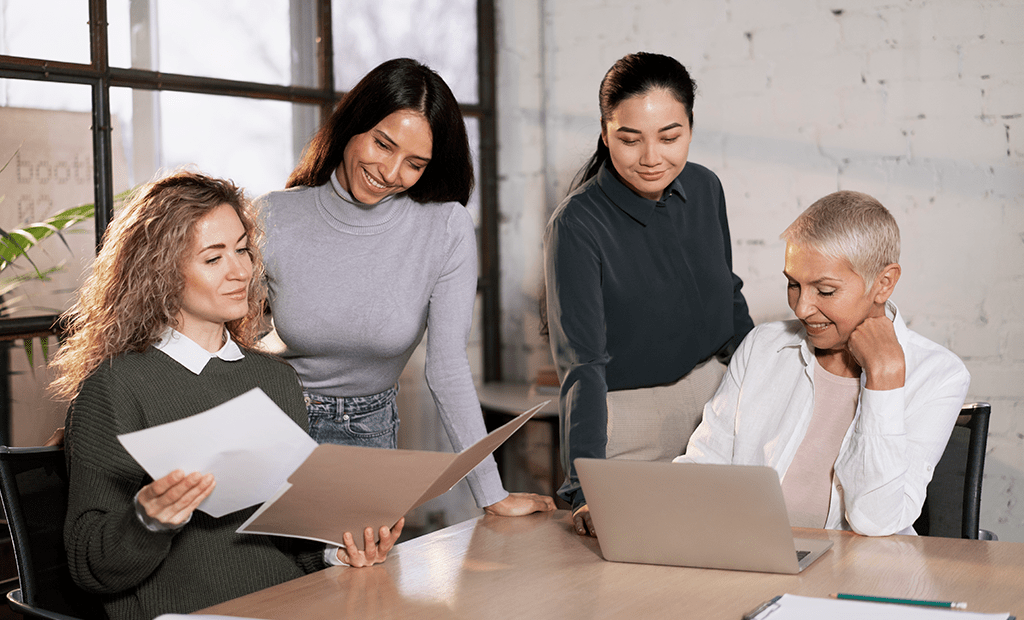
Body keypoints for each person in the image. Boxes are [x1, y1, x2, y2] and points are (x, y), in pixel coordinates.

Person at [50, 171, 402, 620]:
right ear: (160, 271)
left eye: (242, 249)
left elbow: (291, 534)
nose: (241, 271)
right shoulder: (115, 386)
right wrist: (148, 521)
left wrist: (340, 551)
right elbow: (92, 569)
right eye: (213, 258)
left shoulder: (275, 379)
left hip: (298, 606)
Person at [259, 58, 554, 517]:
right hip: (273, 425)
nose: (392, 172)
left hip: (368, 436)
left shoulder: (445, 226)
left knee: (356, 583)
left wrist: (491, 495)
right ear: (353, 124)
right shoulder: (272, 215)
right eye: (383, 143)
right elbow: (225, 344)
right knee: (264, 586)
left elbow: (448, 368)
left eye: (415, 163)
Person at [674, 190, 970, 537]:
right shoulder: (764, 346)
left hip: (860, 570)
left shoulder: (938, 375)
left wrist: (883, 381)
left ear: (884, 283)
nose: (801, 309)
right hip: (751, 553)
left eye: (825, 291)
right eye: (793, 285)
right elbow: (703, 468)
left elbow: (876, 522)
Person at [543, 52, 753, 536]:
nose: (652, 158)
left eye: (670, 136)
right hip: (629, 425)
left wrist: (766, 390)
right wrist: (583, 487)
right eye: (629, 138)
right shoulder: (577, 224)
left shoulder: (704, 187)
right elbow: (582, 367)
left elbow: (729, 296)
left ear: (691, 129)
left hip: (718, 407)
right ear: (604, 133)